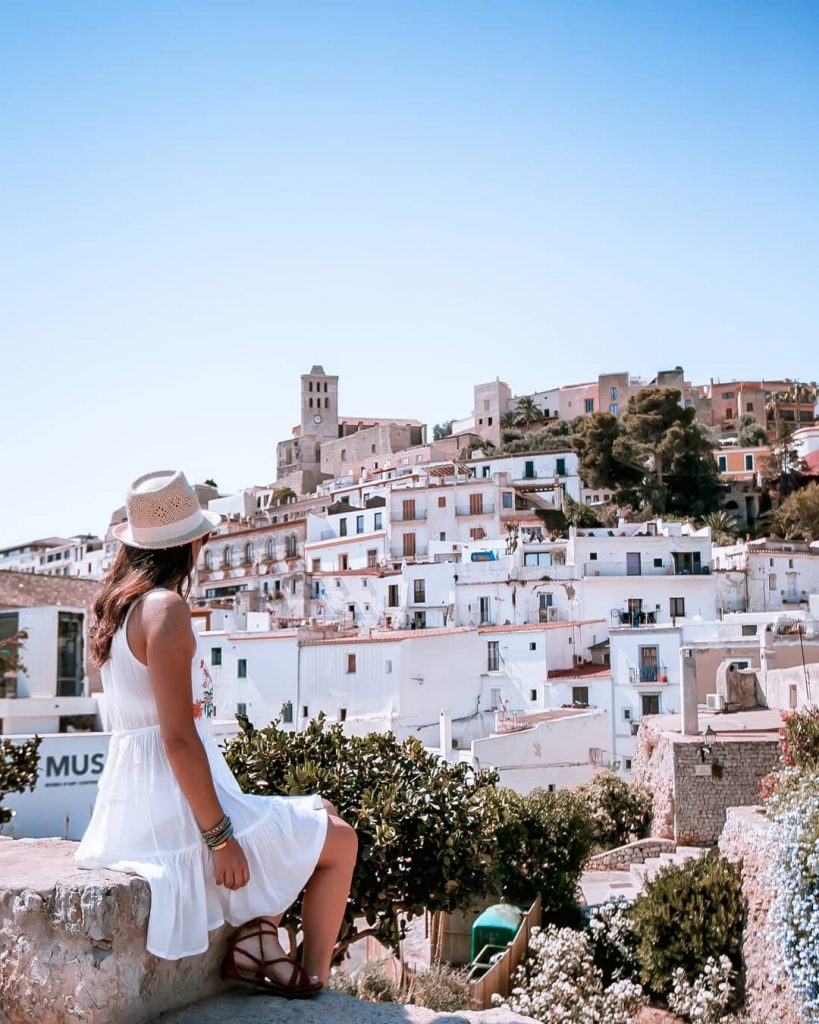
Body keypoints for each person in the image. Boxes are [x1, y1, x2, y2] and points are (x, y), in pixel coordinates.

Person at [75, 470, 357, 998]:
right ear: (192, 542)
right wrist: (220, 839)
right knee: (340, 840)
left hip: (147, 802)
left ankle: (259, 939)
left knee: (321, 812)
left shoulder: (120, 609)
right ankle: (314, 977)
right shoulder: (165, 609)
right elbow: (177, 739)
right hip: (176, 810)